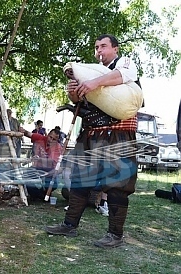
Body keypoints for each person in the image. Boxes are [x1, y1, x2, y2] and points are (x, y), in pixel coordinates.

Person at [45, 34, 139, 248]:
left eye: (104, 46)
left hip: (117, 134)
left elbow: (123, 75)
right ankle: (69, 225)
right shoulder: (87, 72)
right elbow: (80, 102)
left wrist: (93, 82)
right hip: (91, 133)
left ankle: (115, 235)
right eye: (96, 47)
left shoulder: (125, 63)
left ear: (115, 49)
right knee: (80, 178)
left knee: (118, 183)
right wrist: (73, 94)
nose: (99, 51)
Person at [20, 127, 62, 199]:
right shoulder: (40, 138)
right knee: (25, 177)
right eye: (50, 137)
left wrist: (39, 159)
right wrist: (21, 130)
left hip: (50, 170)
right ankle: (39, 194)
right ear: (47, 135)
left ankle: (43, 193)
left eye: (54, 139)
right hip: (37, 167)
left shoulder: (58, 147)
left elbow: (51, 161)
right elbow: (28, 133)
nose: (51, 140)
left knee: (54, 184)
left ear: (57, 140)